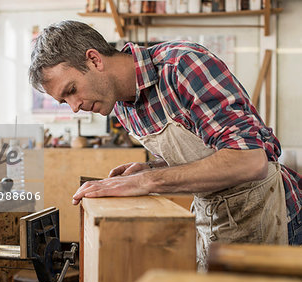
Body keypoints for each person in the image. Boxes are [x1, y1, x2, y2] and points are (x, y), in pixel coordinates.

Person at [29, 20, 302, 269]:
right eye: (65, 102)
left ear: (94, 60)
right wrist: (148, 168)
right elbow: (205, 152)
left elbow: (251, 160)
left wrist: (147, 182)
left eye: (72, 90)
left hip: (273, 218)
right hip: (214, 221)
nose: (75, 107)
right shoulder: (121, 105)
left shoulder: (183, 66)